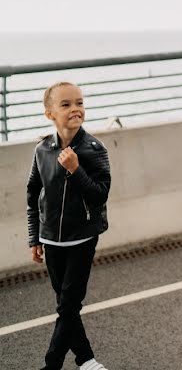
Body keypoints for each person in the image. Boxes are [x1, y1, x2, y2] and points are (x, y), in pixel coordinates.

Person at [26, 82, 111, 370]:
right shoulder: (42, 150)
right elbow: (32, 195)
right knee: (66, 305)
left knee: (68, 306)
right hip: (51, 240)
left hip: (82, 239)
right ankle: (86, 359)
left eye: (80, 103)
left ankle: (52, 365)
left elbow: (99, 195)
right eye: (66, 105)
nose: (76, 109)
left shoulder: (93, 149)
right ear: (50, 113)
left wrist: (76, 170)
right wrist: (34, 237)